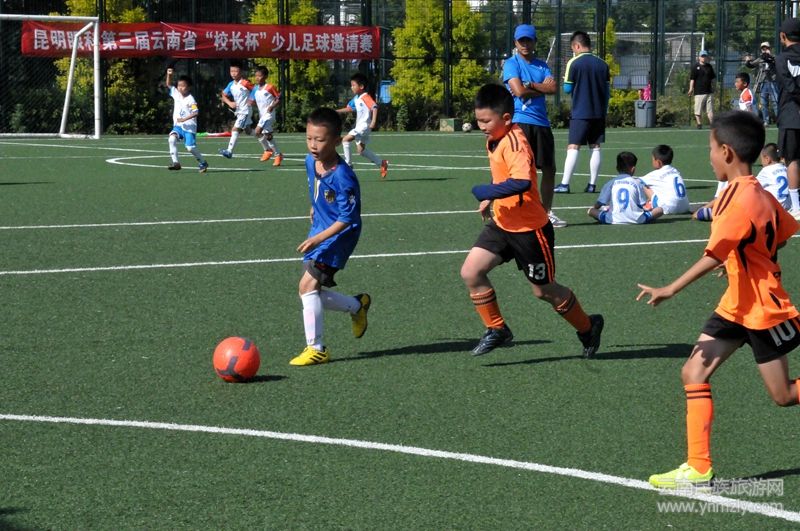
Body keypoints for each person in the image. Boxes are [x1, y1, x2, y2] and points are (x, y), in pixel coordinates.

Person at [637, 110, 800, 489]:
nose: (709, 157)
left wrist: (670, 288)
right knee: (693, 373)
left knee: (783, 395)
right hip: (736, 304)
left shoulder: (737, 200)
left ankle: (698, 467)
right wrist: (742, 257)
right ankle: (698, 467)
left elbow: (713, 253)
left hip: (761, 309)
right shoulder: (759, 192)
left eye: (711, 149)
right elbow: (782, 233)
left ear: (726, 152)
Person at [461, 83, 604, 358]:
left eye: (486, 121)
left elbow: (522, 182)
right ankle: (497, 328)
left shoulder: (516, 143)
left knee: (543, 291)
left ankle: (588, 327)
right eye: (478, 120)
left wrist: (487, 191)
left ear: (506, 118)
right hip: (503, 223)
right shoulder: (495, 136)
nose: (481, 126)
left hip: (530, 231)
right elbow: (503, 174)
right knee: (471, 272)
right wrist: (491, 198)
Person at [291, 107, 371, 366]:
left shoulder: (343, 176)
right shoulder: (309, 161)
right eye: (309, 138)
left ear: (336, 141)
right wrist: (314, 206)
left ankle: (316, 348)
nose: (313, 145)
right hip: (321, 228)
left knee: (307, 287)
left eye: (320, 140)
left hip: (339, 236)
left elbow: (348, 218)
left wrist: (318, 239)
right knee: (308, 291)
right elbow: (314, 186)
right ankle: (357, 306)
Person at [503, 24, 565, 228]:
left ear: (535, 42)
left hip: (542, 123)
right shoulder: (511, 64)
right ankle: (517, 212)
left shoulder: (542, 65)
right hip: (520, 123)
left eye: (528, 40)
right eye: (521, 41)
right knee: (521, 170)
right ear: (515, 42)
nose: (525, 44)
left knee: (549, 169)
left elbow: (553, 88)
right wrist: (540, 88)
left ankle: (546, 213)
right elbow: (519, 92)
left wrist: (530, 85)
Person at [554, 31, 610, 195]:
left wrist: (566, 80)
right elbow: (607, 91)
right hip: (598, 112)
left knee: (573, 146)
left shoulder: (574, 62)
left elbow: (567, 88)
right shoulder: (603, 64)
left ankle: (565, 184)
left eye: (573, 48)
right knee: (595, 147)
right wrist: (603, 110)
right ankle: (592, 185)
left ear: (577, 46)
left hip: (580, 111)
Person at [336, 73, 388, 179]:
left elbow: (374, 107)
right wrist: (337, 111)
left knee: (345, 140)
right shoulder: (356, 98)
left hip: (364, 126)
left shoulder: (365, 97)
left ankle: (348, 165)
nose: (351, 87)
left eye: (353, 85)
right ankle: (381, 163)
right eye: (351, 85)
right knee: (361, 151)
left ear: (361, 86)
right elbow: (350, 108)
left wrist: (373, 121)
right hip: (361, 127)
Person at [587, 152, 662, 225]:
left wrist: (594, 208)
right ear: (633, 169)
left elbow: (599, 203)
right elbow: (643, 205)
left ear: (617, 168)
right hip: (637, 219)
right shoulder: (637, 183)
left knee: (590, 211)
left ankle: (608, 212)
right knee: (660, 210)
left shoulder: (610, 183)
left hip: (613, 219)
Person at [776, 18, 800, 220]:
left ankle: (796, 206)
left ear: (783, 36)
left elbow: (790, 87)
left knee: (792, 159)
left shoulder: (782, 58)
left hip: (791, 114)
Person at [165, 68, 208, 173]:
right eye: (179, 85)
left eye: (183, 86)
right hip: (178, 126)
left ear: (189, 87)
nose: (180, 87)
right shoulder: (176, 94)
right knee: (171, 139)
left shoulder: (191, 99)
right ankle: (176, 163)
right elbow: (168, 84)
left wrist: (184, 119)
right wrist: (169, 74)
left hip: (189, 127)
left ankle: (203, 162)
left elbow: (196, 112)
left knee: (190, 148)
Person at [248, 65, 283, 167]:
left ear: (265, 76)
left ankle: (267, 150)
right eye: (256, 76)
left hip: (269, 115)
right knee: (268, 136)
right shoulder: (255, 89)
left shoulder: (270, 87)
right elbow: (251, 101)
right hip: (262, 115)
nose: (257, 78)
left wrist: (272, 106)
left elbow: (278, 99)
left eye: (259, 76)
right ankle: (278, 154)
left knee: (257, 131)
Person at [640, 145, 690, 215]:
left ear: (658, 162)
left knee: (642, 184)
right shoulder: (675, 171)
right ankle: (651, 202)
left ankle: (645, 204)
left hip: (668, 209)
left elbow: (636, 181)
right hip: (686, 207)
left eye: (653, 159)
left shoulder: (655, 174)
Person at [219, 62, 254, 159]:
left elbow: (256, 91)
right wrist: (230, 103)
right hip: (239, 112)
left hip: (245, 111)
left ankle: (229, 151)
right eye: (231, 71)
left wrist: (251, 100)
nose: (233, 73)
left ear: (241, 72)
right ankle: (265, 138)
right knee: (248, 131)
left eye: (236, 71)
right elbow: (223, 95)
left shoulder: (245, 83)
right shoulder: (231, 84)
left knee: (235, 129)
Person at [745, 41, 779, 126]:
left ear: (770, 49)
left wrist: (770, 57)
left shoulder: (774, 57)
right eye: (763, 48)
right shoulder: (760, 59)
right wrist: (747, 61)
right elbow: (751, 65)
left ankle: (779, 119)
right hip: (763, 82)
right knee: (763, 103)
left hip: (773, 82)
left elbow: (777, 62)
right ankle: (766, 120)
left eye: (766, 48)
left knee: (775, 101)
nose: (765, 50)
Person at [688, 51, 716, 129]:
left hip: (709, 92)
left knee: (710, 110)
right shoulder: (695, 67)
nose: (703, 58)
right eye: (702, 56)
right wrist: (691, 89)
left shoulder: (709, 66)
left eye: (705, 56)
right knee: (698, 110)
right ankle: (699, 124)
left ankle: (712, 125)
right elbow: (692, 79)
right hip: (699, 92)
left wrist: (714, 87)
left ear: (707, 57)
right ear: (699, 57)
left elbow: (713, 79)